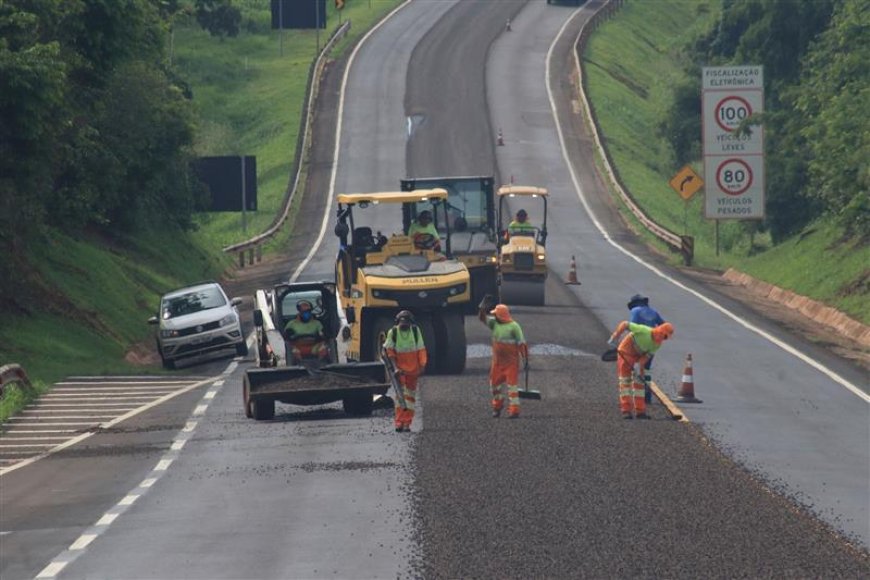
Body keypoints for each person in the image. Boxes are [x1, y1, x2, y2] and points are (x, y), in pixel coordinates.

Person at [608, 320, 674, 419]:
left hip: (637, 357)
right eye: (663, 336)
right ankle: (626, 411)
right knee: (625, 382)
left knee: (639, 384)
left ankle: (640, 412)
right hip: (625, 352)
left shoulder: (657, 344)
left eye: (665, 338)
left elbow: (645, 358)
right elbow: (625, 324)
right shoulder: (644, 330)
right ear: (659, 331)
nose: (663, 339)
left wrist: (640, 370)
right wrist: (615, 336)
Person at [479, 302, 528, 419]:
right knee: (494, 387)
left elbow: (521, 344)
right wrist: (481, 309)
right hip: (497, 363)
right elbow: (482, 318)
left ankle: (514, 410)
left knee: (512, 388)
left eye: (496, 314)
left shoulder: (514, 326)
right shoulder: (494, 323)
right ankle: (498, 405)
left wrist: (525, 360)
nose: (494, 316)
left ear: (501, 315)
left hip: (511, 363)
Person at [383, 310, 427, 432]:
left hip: (413, 371)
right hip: (400, 371)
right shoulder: (393, 332)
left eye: (406, 322)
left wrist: (423, 365)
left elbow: (421, 349)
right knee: (400, 397)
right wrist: (395, 368)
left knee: (410, 398)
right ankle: (399, 422)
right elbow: (389, 351)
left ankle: (407, 423)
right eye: (401, 322)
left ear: (410, 323)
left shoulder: (415, 331)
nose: (403, 324)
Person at [627, 294, 666, 405]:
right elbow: (663, 325)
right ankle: (647, 396)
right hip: (651, 345)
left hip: (638, 344)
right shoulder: (653, 312)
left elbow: (632, 327)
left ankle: (636, 395)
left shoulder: (635, 311)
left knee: (634, 369)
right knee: (646, 369)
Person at [284, 300, 329, 365]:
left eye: (308, 311)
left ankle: (321, 365)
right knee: (290, 349)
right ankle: (298, 365)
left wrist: (321, 335)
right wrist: (289, 335)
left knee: (324, 347)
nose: (306, 313)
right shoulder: (292, 324)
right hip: (298, 347)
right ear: (300, 312)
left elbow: (322, 333)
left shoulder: (317, 323)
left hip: (314, 346)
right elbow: (286, 336)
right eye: (304, 312)